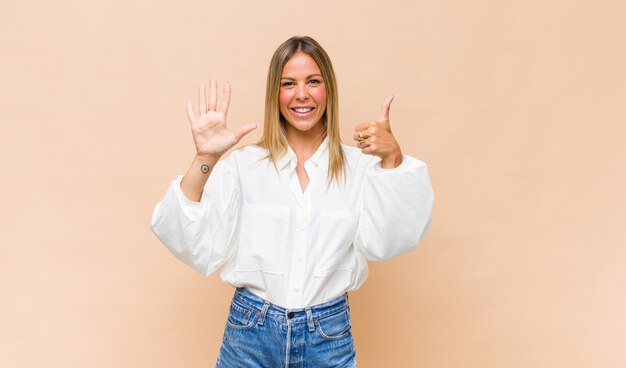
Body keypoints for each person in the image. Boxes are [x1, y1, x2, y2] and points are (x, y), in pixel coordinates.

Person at [151, 36, 434, 367]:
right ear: (275, 94)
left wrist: (393, 160)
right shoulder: (245, 166)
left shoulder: (360, 168)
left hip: (328, 337)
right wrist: (205, 158)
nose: (302, 94)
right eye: (289, 84)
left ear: (329, 90)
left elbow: (389, 241)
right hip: (249, 334)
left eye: (313, 81)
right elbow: (192, 243)